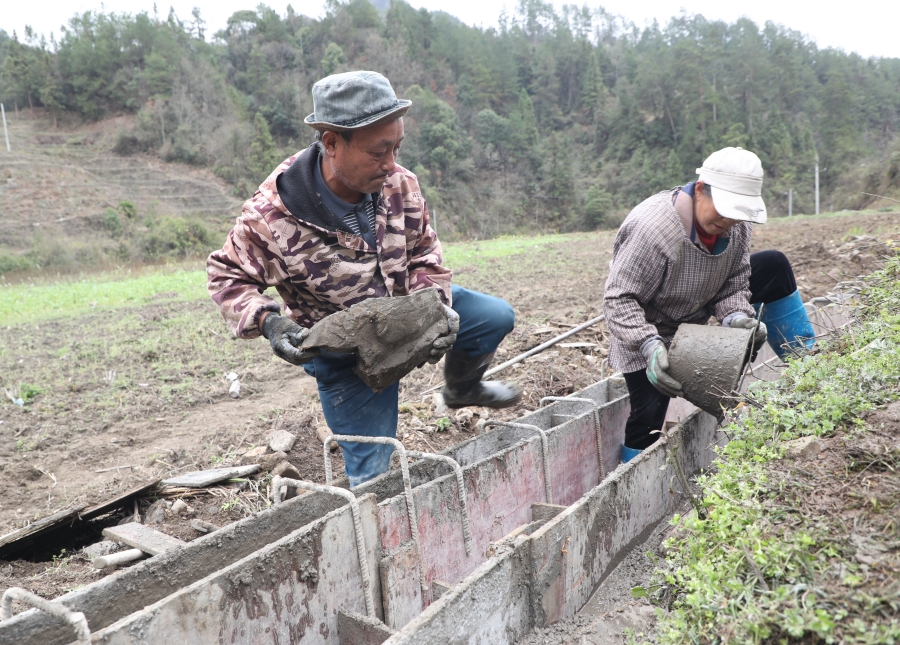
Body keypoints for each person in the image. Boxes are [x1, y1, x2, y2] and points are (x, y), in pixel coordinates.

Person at [207, 71, 521, 486]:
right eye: (378, 152)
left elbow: (425, 252)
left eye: (397, 147)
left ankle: (462, 387)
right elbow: (226, 275)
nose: (391, 163)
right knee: (374, 478)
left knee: (494, 316)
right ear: (332, 142)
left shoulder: (399, 184)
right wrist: (269, 323)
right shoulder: (271, 217)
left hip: (407, 307)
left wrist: (434, 308)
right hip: (347, 353)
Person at [604, 147, 814, 462]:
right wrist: (649, 345)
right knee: (649, 415)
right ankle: (631, 484)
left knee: (774, 265)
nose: (729, 221)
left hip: (699, 306)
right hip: (651, 328)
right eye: (724, 210)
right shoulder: (652, 230)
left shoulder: (735, 223)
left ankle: (808, 369)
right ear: (700, 190)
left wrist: (737, 318)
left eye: (737, 214)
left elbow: (734, 280)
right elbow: (619, 300)